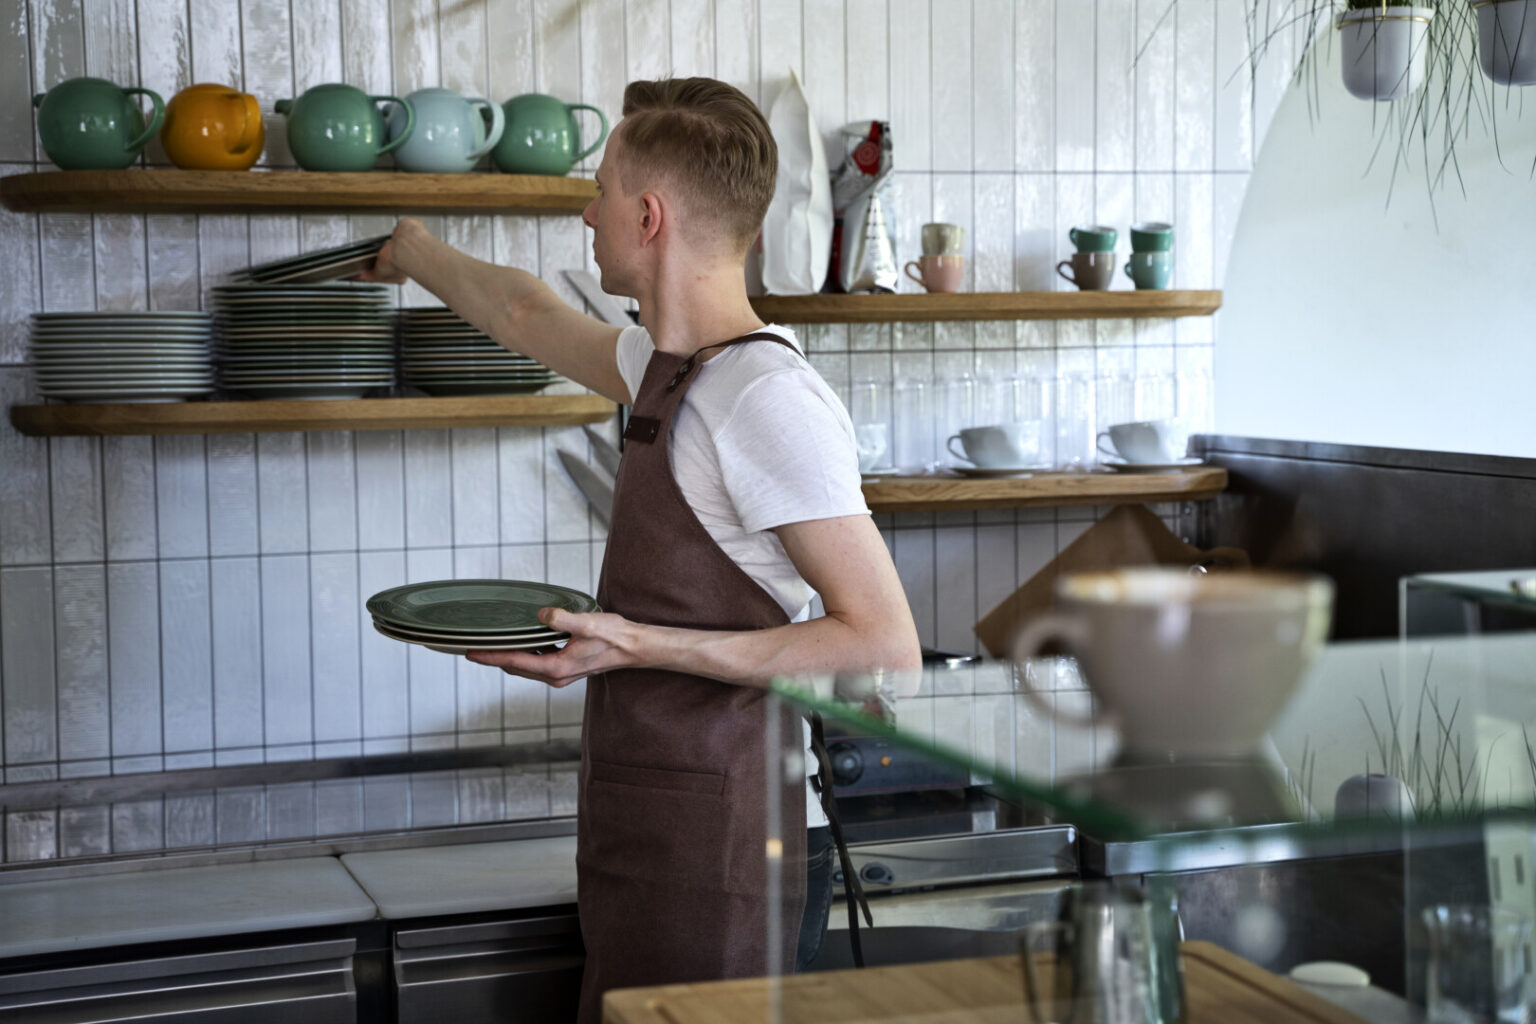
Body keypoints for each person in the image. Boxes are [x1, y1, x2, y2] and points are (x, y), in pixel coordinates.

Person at [362, 76, 921, 1023]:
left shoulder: (765, 401)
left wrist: (642, 645)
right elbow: (524, 314)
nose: (587, 211)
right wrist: (414, 251)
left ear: (649, 216)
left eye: (603, 190)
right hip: (664, 825)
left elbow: (884, 647)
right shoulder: (671, 374)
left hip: (742, 844)